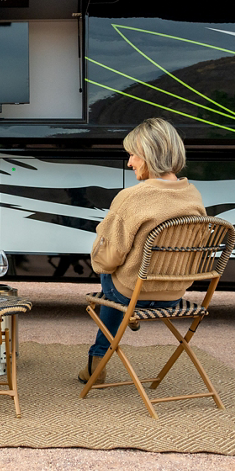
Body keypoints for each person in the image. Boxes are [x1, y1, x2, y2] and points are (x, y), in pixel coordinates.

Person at [82, 117, 206, 383]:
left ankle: (98, 359)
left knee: (110, 277)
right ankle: (113, 337)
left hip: (131, 293)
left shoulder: (132, 197)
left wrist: (99, 253)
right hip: (173, 294)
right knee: (122, 281)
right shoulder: (193, 196)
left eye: (133, 155)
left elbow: (108, 259)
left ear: (150, 154)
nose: (129, 163)